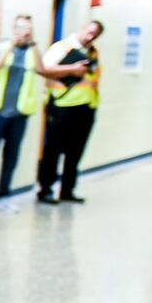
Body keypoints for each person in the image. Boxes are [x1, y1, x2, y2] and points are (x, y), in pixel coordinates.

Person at [0, 14, 64, 215]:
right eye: (20, 28)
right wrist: (11, 45)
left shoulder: (32, 52)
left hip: (19, 114)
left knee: (11, 158)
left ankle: (4, 195)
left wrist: (34, 45)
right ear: (13, 29)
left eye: (28, 28)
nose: (24, 32)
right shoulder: (1, 47)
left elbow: (42, 70)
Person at [37, 20, 103, 204]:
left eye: (95, 35)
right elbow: (43, 69)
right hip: (62, 106)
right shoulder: (62, 47)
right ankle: (46, 189)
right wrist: (72, 70)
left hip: (86, 107)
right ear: (82, 28)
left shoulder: (93, 52)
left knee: (75, 153)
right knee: (53, 151)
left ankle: (67, 190)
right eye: (89, 32)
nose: (90, 37)